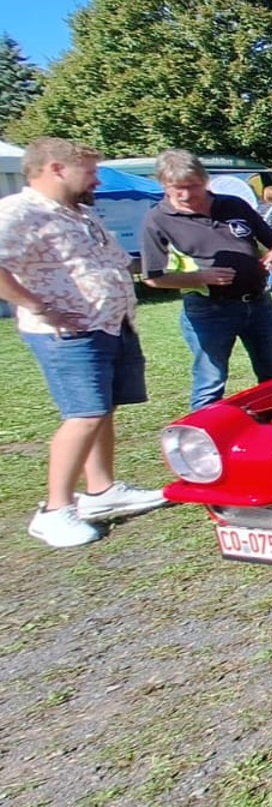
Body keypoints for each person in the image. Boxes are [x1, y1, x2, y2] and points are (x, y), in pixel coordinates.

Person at [0, 137, 167, 547]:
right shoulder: (21, 211)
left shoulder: (80, 213)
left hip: (109, 325)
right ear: (56, 168)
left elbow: (109, 262)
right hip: (69, 333)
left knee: (102, 409)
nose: (96, 180)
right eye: (89, 172)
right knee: (84, 414)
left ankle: (101, 490)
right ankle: (55, 511)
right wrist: (37, 305)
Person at [141, 149, 272, 411]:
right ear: (163, 184)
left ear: (205, 179)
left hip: (259, 305)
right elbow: (153, 278)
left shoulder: (233, 205)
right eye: (177, 188)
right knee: (210, 381)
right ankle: (203, 433)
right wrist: (199, 277)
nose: (186, 195)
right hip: (209, 310)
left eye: (193, 186)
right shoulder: (158, 220)